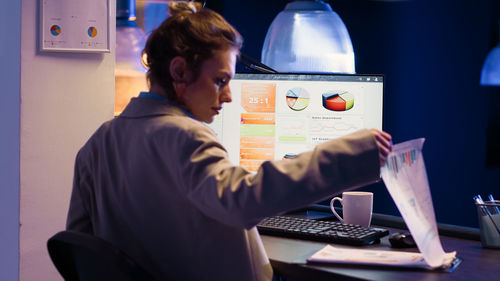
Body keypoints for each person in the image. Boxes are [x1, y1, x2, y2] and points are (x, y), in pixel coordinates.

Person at [66, 4, 392, 281]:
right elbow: (245, 201)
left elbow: (80, 249)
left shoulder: (98, 142)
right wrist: (352, 155)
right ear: (179, 72)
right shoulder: (187, 136)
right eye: (220, 80)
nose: (229, 95)